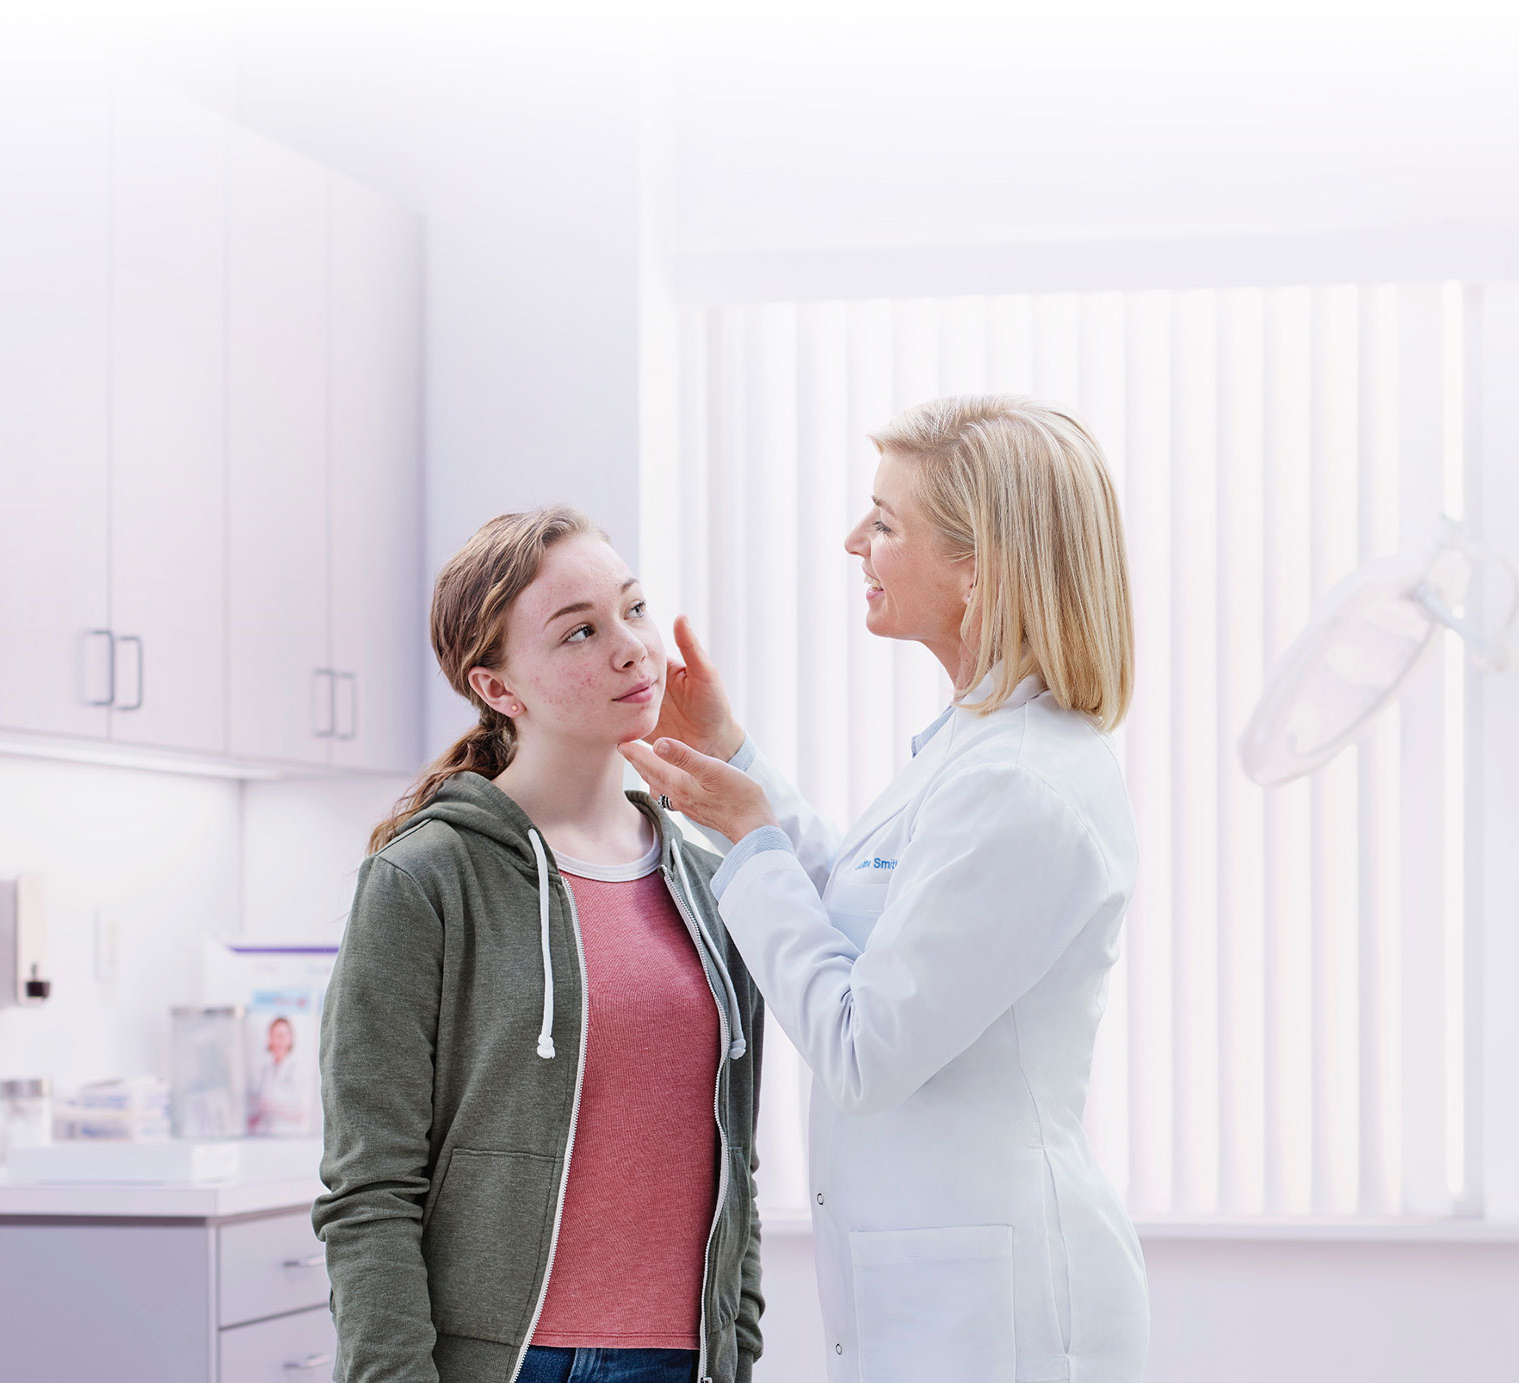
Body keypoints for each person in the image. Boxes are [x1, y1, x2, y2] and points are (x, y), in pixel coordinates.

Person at [622, 396, 1146, 1383]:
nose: (853, 539)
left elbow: (864, 1050)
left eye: (886, 521)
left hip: (999, 1320)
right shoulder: (975, 755)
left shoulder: (1021, 786)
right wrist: (734, 760)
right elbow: (862, 908)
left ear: (977, 565)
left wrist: (747, 842)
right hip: (944, 1298)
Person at [315, 506, 766, 1383]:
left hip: (684, 1364)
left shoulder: (714, 882)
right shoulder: (425, 879)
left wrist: (737, 1352)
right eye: (580, 633)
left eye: (632, 610)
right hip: (507, 1366)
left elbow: (737, 1164)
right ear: (498, 688)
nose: (631, 648)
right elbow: (370, 1191)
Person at [248, 1015, 308, 1135]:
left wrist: (271, 1106)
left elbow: (303, 1115)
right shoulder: (264, 1070)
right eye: (273, 1036)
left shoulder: (298, 1069)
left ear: (290, 1039)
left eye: (281, 1036)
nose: (277, 1041)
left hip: (290, 1137)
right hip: (265, 1137)